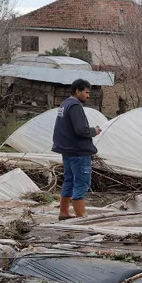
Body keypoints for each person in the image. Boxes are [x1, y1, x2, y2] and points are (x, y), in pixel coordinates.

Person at [51, 78, 101, 220]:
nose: (88, 95)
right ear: (77, 91)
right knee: (81, 182)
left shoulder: (64, 104)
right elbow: (81, 130)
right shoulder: (75, 106)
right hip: (78, 151)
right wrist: (94, 131)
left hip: (67, 150)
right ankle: (81, 216)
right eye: (86, 92)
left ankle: (64, 211)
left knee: (69, 180)